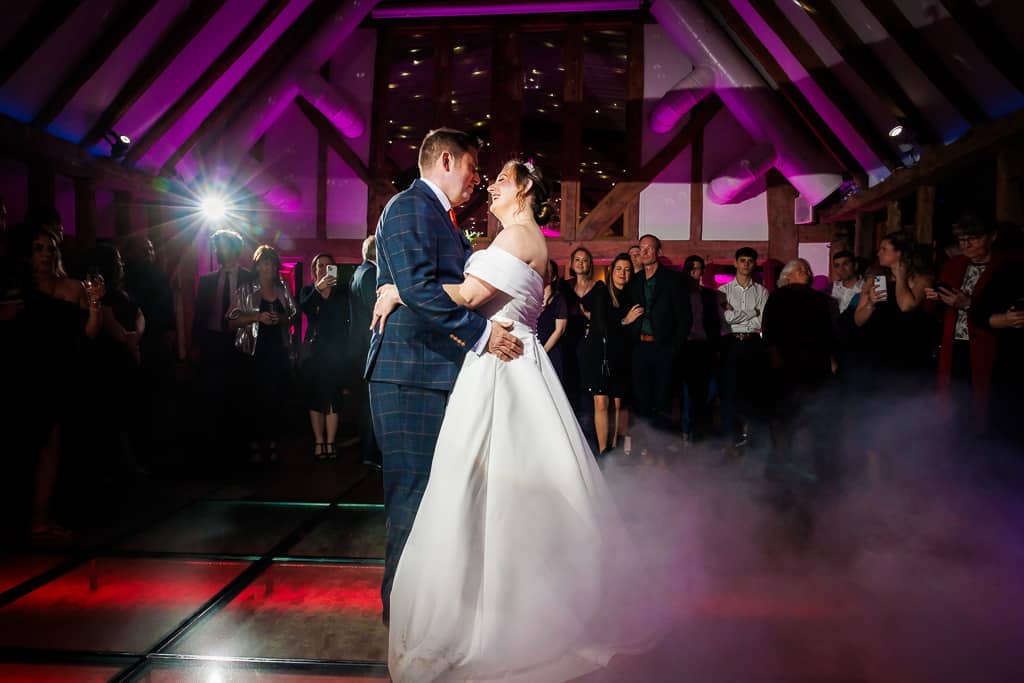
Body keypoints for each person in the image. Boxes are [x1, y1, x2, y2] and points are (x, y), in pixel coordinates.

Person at [374, 159, 653, 682]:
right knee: (490, 485)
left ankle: (503, 615)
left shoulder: (520, 236)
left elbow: (474, 297)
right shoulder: (518, 237)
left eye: (501, 177)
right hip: (503, 360)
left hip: (504, 366)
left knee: (495, 486)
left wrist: (400, 291)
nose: (491, 185)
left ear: (523, 188)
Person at [364, 128, 524, 627]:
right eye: (474, 168)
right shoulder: (411, 206)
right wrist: (480, 334)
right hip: (408, 371)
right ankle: (403, 619)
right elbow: (417, 286)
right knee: (412, 496)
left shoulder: (441, 216)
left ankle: (426, 608)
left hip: (432, 370)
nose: (477, 180)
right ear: (447, 160)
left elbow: (429, 287)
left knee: (437, 495)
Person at [227, 245, 297, 463]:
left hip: (278, 351)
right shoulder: (246, 289)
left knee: (275, 398)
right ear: (257, 266)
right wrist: (257, 318)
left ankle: (274, 443)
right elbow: (231, 321)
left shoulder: (283, 288)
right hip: (254, 353)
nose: (268, 267)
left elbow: (293, 316)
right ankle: (256, 444)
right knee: (255, 399)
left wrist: (282, 320)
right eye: (264, 262)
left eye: (272, 263)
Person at [625, 234, 688, 432]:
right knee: (641, 398)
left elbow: (685, 318)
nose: (643, 252)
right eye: (641, 248)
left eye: (649, 248)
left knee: (663, 398)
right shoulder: (634, 281)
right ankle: (645, 446)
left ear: (658, 252)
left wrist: (673, 348)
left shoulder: (673, 280)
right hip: (640, 347)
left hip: (664, 348)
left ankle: (662, 449)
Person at [299, 252, 349, 460]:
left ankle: (330, 442)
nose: (323, 269)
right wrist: (319, 290)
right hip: (315, 352)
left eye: (328, 266)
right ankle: (319, 441)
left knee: (333, 398)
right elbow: (304, 308)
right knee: (315, 398)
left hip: (336, 351)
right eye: (320, 266)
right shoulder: (308, 291)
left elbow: (345, 319)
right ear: (314, 270)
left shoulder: (342, 292)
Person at [718, 247, 769, 451]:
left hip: (754, 342)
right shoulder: (723, 292)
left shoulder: (762, 291)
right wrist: (751, 311)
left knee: (752, 390)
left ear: (754, 264)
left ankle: (751, 437)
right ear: (735, 263)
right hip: (731, 342)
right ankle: (732, 437)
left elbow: (762, 319)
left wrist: (737, 314)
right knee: (730, 391)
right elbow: (725, 319)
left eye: (750, 260)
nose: (746, 264)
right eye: (742, 260)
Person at [679, 255, 721, 443]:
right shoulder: (679, 293)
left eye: (699, 269)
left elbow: (714, 323)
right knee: (688, 392)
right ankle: (687, 432)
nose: (695, 272)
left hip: (705, 347)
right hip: (685, 347)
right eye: (692, 268)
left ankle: (699, 432)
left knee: (708, 391)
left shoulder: (710, 295)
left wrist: (715, 348)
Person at [349, 235, 382, 469]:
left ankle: (368, 451)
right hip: (368, 344)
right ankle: (371, 453)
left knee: (366, 402)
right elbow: (375, 309)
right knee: (371, 403)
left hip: (359, 345)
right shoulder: (370, 274)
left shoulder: (359, 272)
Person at [537, 258, 568, 382]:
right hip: (533, 348)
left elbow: (559, 330)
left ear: (554, 277)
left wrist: (543, 352)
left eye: (547, 271)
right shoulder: (532, 296)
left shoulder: (559, 299)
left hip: (550, 350)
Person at [830, 249, 863, 315]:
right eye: (837, 265)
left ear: (855, 266)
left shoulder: (867, 287)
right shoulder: (830, 288)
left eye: (845, 264)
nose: (841, 269)